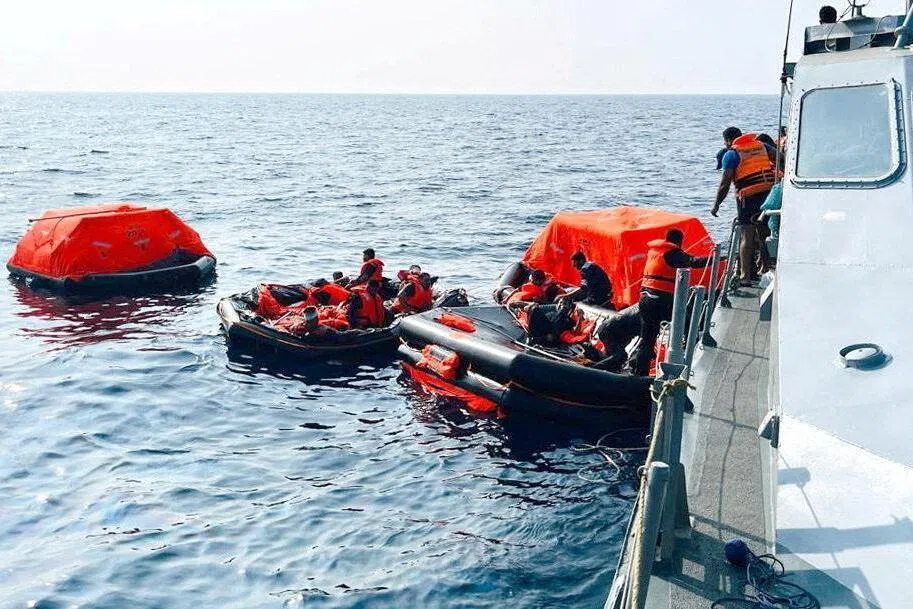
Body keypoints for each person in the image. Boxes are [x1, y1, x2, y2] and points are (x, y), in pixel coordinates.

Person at [630, 229, 710, 376]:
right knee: (687, 323)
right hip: (661, 300)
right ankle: (693, 355)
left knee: (647, 339)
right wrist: (717, 258)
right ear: (679, 241)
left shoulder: (654, 252)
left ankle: (640, 373)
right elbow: (694, 262)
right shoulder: (673, 253)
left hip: (645, 299)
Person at [711, 127, 777, 285]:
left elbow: (725, 183)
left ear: (728, 140)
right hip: (767, 194)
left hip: (747, 198)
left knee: (746, 236)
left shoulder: (731, 154)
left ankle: (744, 277)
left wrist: (716, 205)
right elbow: (782, 159)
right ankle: (766, 270)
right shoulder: (762, 146)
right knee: (764, 233)